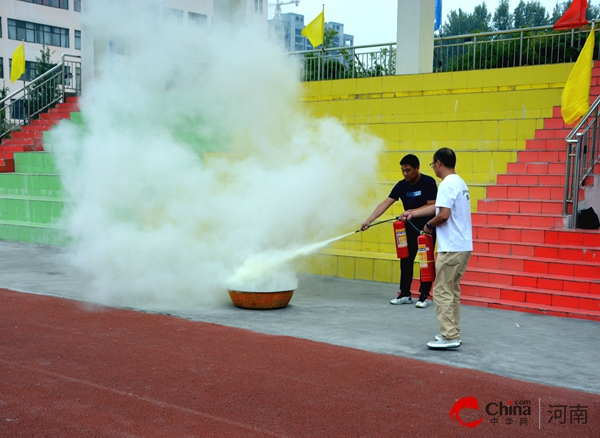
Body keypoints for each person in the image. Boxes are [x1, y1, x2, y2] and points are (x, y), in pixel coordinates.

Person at [400, 148, 473, 349]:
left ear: (438, 163)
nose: (433, 168)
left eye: (433, 164)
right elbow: (438, 208)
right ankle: (453, 331)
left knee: (441, 291)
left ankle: (449, 336)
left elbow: (443, 215)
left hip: (451, 247)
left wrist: (428, 226)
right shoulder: (458, 182)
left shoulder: (447, 184)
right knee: (452, 291)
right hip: (463, 246)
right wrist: (413, 213)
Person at [361, 154, 437, 308]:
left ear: (417, 168)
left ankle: (423, 296)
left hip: (425, 230)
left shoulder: (428, 182)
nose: (405, 173)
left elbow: (433, 205)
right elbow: (385, 203)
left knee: (424, 261)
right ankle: (405, 294)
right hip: (407, 229)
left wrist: (412, 211)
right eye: (403, 170)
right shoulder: (402, 185)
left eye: (408, 170)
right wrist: (369, 220)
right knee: (405, 260)